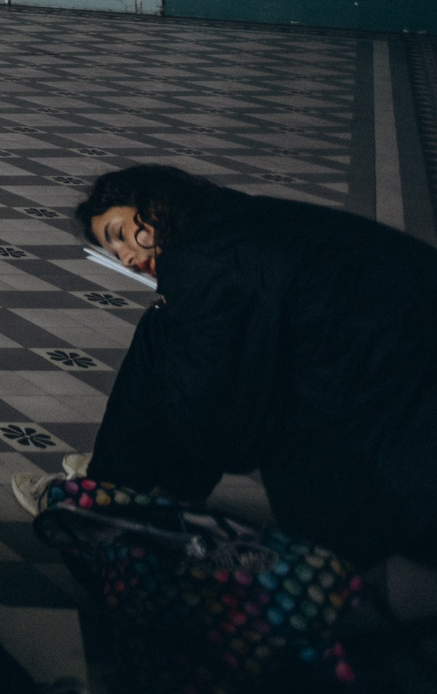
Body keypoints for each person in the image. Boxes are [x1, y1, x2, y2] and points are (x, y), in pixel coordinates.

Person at [77, 164, 437, 568]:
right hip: (394, 349)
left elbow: (214, 418)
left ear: (150, 206)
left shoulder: (201, 262)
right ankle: (113, 490)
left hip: (397, 401)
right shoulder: (230, 220)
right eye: (115, 254)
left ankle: (104, 497)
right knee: (167, 335)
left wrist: (181, 472)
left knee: (164, 343)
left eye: (121, 234)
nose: (127, 256)